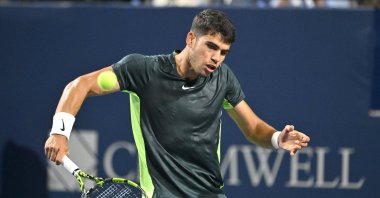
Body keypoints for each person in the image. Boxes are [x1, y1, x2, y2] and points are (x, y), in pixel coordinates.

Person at [44, 9, 310, 198]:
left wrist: (276, 138)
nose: (217, 58)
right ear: (190, 39)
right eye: (211, 46)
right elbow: (81, 85)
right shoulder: (143, 71)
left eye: (224, 52)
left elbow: (252, 127)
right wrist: (60, 131)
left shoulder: (223, 78)